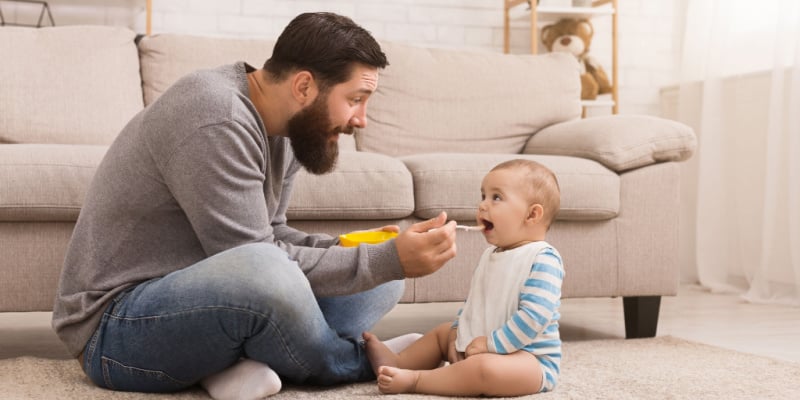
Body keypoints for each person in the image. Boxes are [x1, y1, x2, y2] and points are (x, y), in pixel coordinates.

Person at [51, 12, 457, 400]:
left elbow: (271, 234)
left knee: (385, 276)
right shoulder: (216, 115)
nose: (362, 120)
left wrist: (368, 253)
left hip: (211, 301)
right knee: (275, 272)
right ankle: (367, 362)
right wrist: (383, 260)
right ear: (303, 87)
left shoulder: (291, 127)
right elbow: (255, 263)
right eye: (355, 99)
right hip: (116, 329)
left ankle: (228, 367)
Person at [364, 158, 565, 397]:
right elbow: (475, 304)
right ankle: (398, 361)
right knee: (442, 332)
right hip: (482, 344)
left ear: (532, 215)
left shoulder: (543, 259)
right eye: (483, 196)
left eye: (496, 197)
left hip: (529, 360)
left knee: (484, 369)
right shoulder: (491, 255)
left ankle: (417, 380)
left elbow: (534, 318)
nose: (482, 206)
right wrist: (460, 332)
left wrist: (490, 345)